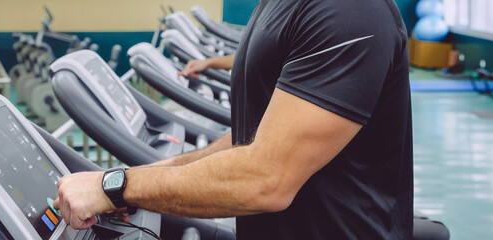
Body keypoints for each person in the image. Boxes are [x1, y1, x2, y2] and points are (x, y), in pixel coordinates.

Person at [53, 0, 413, 238]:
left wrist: (115, 186)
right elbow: (252, 137)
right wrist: (140, 184)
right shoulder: (276, 5)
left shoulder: (347, 9)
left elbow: (266, 179)